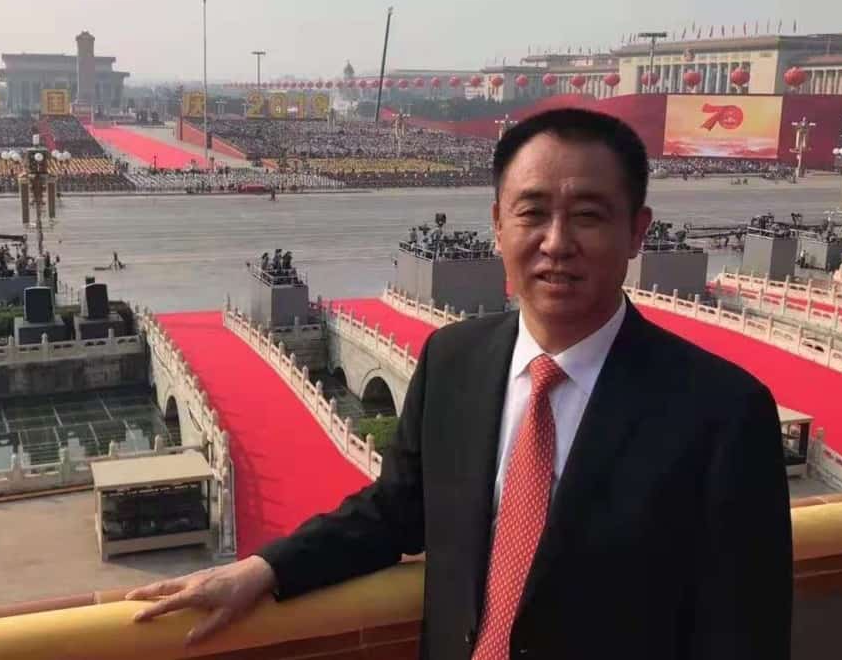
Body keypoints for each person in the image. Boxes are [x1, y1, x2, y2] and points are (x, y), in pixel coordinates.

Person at [125, 108, 793, 658]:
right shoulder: (455, 360)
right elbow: (394, 511)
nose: (557, 242)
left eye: (589, 215)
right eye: (532, 213)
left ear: (637, 231)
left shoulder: (721, 413)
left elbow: (744, 635)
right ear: (498, 225)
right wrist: (265, 568)